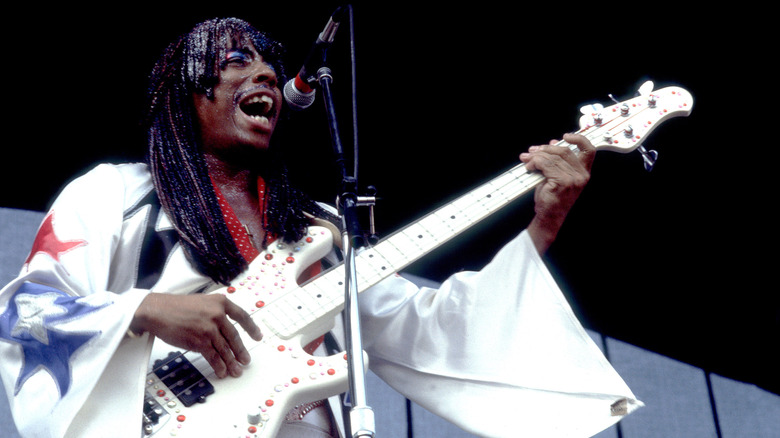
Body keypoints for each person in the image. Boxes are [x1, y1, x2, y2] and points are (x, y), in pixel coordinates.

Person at [0, 17, 640, 438]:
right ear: (183, 91)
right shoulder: (115, 193)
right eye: (235, 61)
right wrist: (145, 309)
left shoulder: (316, 230)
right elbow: (24, 315)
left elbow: (423, 330)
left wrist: (543, 222)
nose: (265, 75)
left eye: (270, 68)